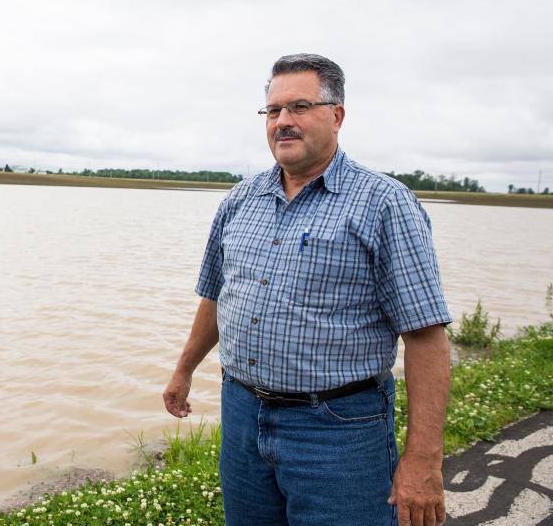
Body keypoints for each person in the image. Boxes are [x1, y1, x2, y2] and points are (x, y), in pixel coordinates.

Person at [163, 54, 452, 526]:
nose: (283, 122)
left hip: (339, 431)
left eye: (299, 106)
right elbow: (217, 295)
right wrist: (183, 371)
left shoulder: (385, 204)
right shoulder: (241, 198)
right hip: (242, 414)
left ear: (336, 116)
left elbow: (426, 336)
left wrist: (423, 460)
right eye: (273, 111)